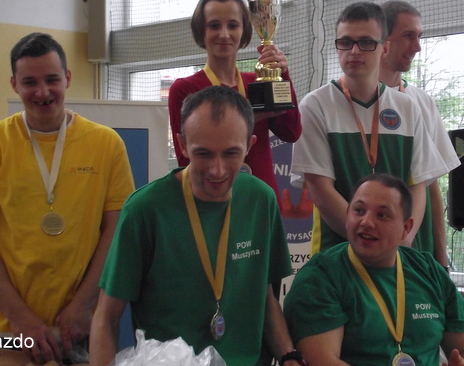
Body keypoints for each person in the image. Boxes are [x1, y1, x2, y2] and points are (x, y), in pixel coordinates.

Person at [90, 85, 306, 366]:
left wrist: (288, 355)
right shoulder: (145, 209)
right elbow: (106, 317)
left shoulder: (261, 200)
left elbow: (263, 297)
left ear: (250, 145)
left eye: (231, 153)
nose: (217, 170)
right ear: (182, 145)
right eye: (203, 154)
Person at [0, 32, 135, 365]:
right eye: (30, 82)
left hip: (77, 323)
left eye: (52, 79)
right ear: (14, 84)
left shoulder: (106, 144)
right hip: (6, 326)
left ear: (67, 78)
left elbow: (115, 231)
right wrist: (19, 317)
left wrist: (83, 304)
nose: (42, 92)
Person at [291, 1, 448, 254]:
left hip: (399, 255)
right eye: (345, 42)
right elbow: (321, 191)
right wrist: (373, 239)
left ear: (385, 48)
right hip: (337, 255)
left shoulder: (407, 107)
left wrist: (402, 240)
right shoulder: (315, 105)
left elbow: (419, 185)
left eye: (366, 42)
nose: (354, 51)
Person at [283, 173, 464, 365]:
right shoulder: (321, 276)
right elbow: (322, 361)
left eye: (382, 215)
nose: (366, 222)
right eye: (359, 211)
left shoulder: (428, 270)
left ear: (406, 228)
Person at [168, 0, 301, 207]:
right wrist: (249, 118)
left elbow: (292, 132)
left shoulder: (256, 82)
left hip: (261, 201)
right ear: (201, 30)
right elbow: (185, 162)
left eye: (232, 25)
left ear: (244, 30)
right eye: (214, 25)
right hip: (212, 204)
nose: (224, 34)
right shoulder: (185, 89)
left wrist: (281, 74)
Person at [379, 0, 461, 269]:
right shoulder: (347, 99)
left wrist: (441, 257)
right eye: (408, 36)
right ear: (383, 39)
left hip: (416, 247)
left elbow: (432, 186)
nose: (417, 47)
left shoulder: (421, 101)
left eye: (419, 37)